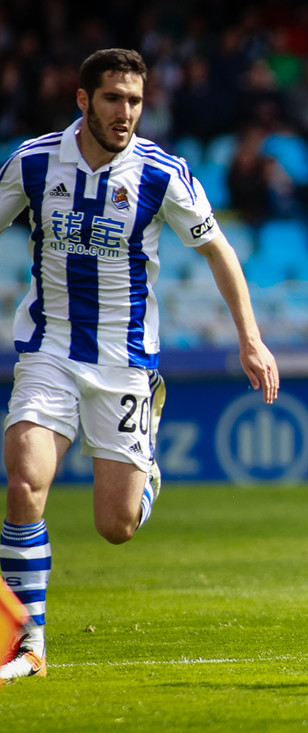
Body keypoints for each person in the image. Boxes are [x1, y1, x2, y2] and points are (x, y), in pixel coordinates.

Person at [0, 48, 280, 680]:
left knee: (116, 526)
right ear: (83, 99)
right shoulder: (35, 162)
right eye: (112, 99)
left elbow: (220, 252)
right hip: (48, 349)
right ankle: (30, 644)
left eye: (134, 101)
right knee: (23, 478)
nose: (125, 112)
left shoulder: (162, 173)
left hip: (124, 365)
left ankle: (145, 467)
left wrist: (251, 339)